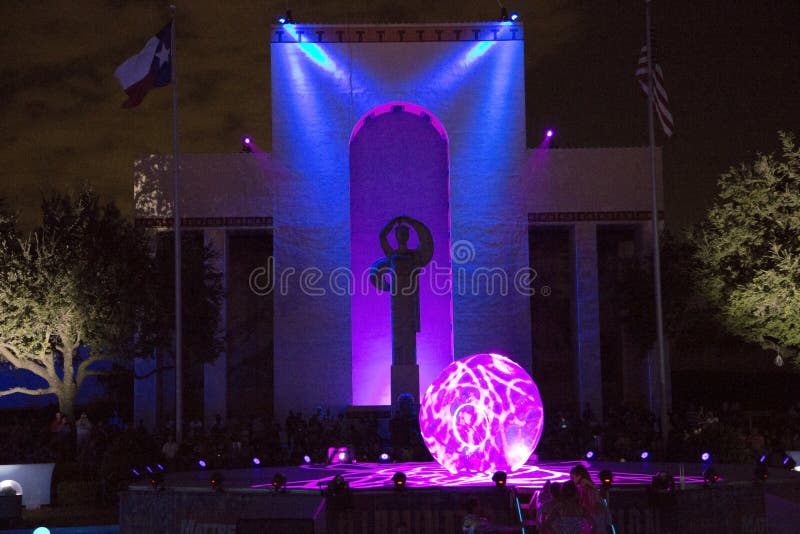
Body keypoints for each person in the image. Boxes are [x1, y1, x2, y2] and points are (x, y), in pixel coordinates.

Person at [569, 465, 611, 533]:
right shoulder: (589, 485)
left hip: (593, 514)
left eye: (572, 477)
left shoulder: (584, 485)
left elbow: (590, 502)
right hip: (597, 515)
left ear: (579, 476)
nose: (571, 479)